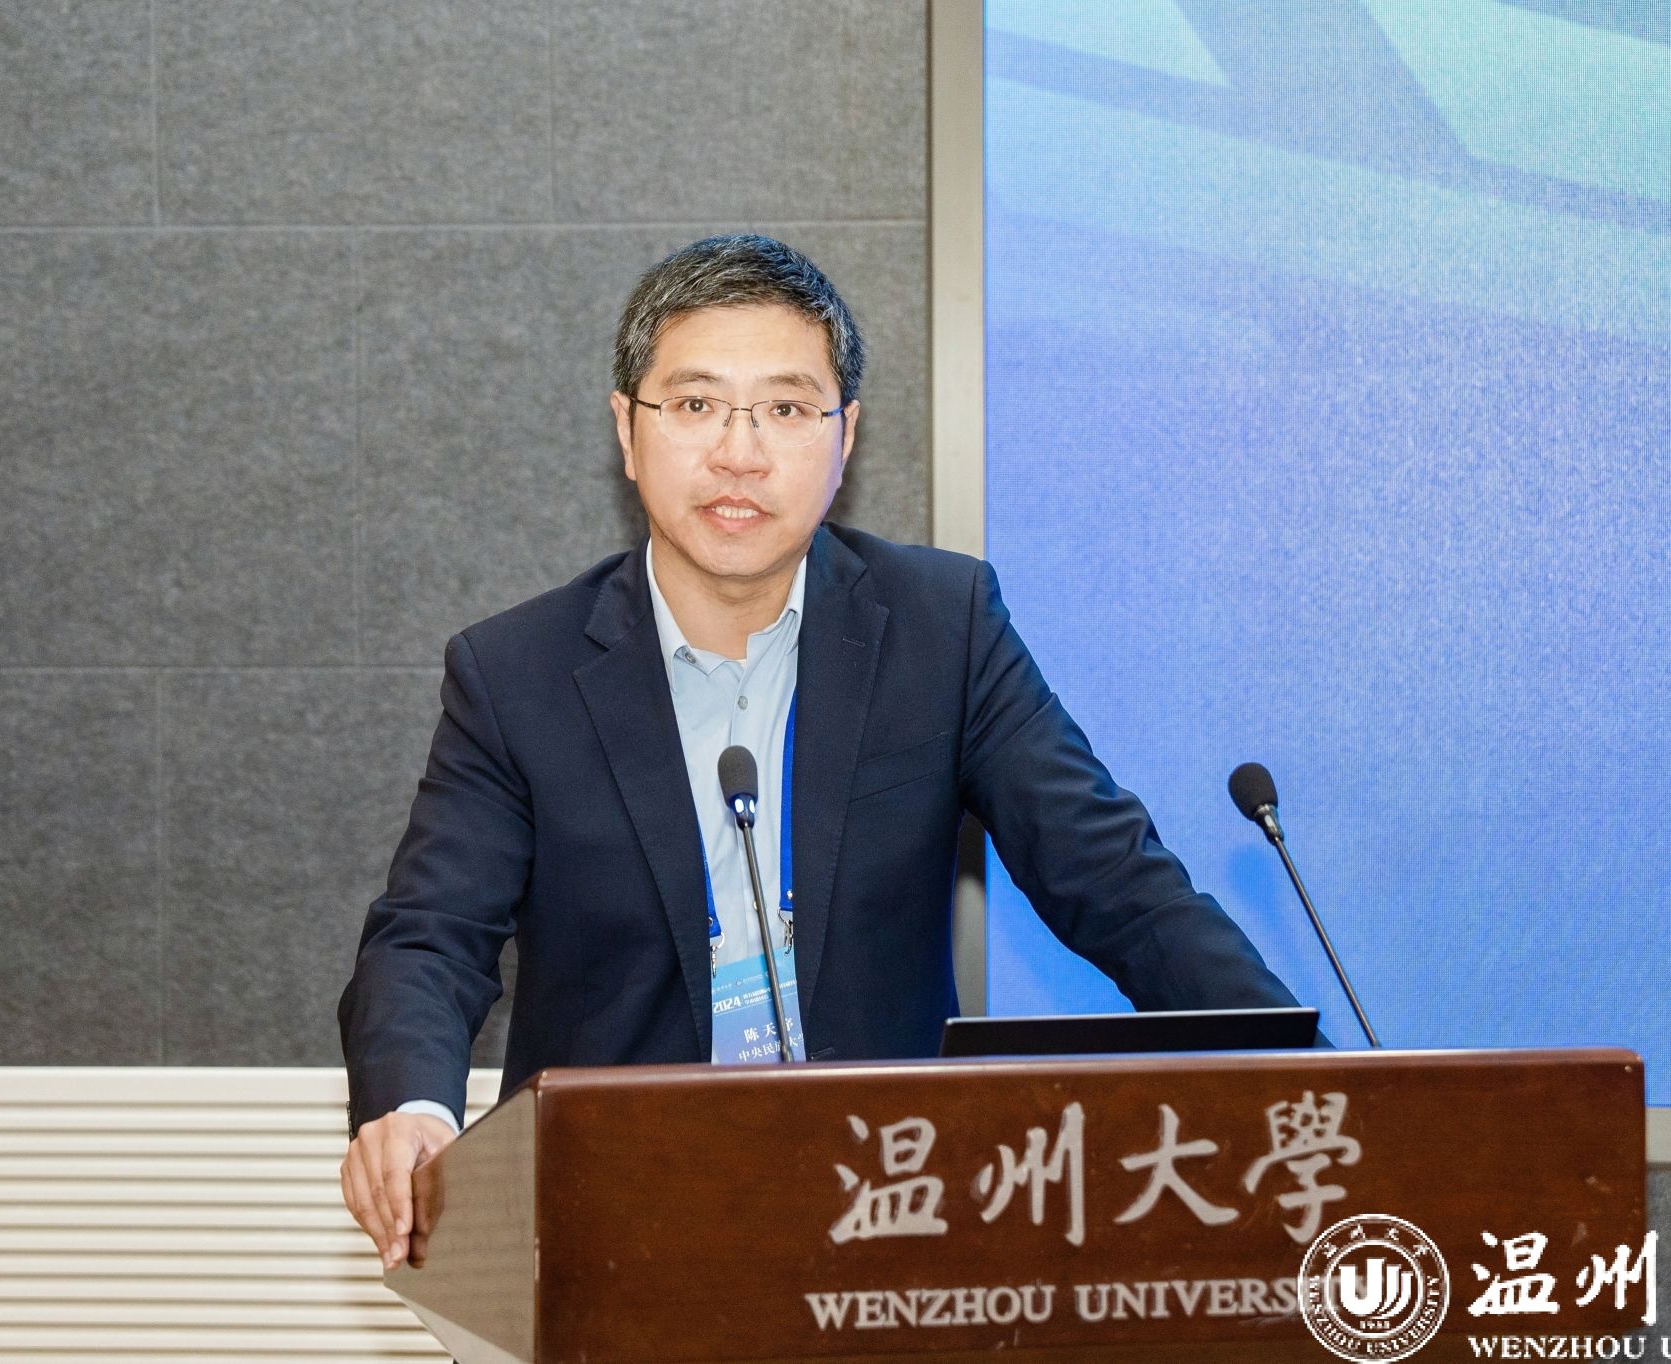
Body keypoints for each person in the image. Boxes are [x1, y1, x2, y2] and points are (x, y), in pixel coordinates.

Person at [336, 235, 1313, 1270]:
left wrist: (1317, 1079)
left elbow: (1116, 884)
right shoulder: (516, 673)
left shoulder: (942, 628)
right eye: (696, 404)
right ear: (627, 429)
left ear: (845, 436)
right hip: (614, 1219)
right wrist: (411, 1106)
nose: (739, 453)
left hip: (887, 1215)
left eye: (786, 409)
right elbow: (429, 936)